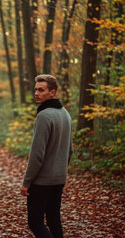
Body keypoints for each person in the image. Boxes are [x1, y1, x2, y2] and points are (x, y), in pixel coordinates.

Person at [20, 74, 73, 238]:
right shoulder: (65, 113)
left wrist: (26, 182)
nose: (36, 93)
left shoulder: (44, 116)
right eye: (35, 89)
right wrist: (60, 171)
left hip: (42, 181)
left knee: (35, 222)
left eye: (41, 90)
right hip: (59, 179)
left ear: (52, 92)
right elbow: (70, 150)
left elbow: (37, 155)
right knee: (53, 219)